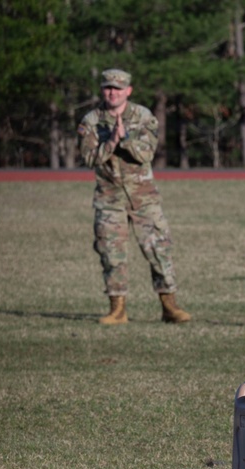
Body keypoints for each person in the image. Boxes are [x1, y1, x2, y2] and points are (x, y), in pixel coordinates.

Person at [77, 68, 191, 325]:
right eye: (108, 88)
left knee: (159, 249)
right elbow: (88, 158)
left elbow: (146, 154)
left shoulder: (143, 117)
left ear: (128, 91)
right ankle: (117, 309)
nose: (112, 93)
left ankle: (169, 306)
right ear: (102, 90)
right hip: (109, 198)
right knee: (111, 253)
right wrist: (110, 142)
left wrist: (125, 139)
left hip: (143, 197)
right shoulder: (91, 121)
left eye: (118, 89)